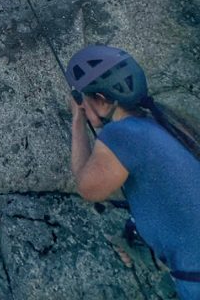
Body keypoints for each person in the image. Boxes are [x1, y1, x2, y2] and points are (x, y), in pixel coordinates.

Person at [66, 44, 200, 298]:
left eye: (83, 100)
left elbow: (88, 187)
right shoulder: (159, 126)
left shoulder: (121, 133)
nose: (82, 106)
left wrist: (76, 122)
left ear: (101, 100)